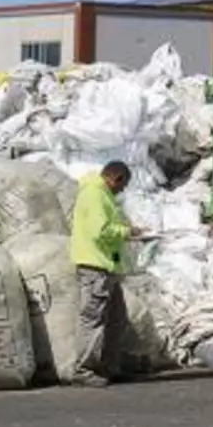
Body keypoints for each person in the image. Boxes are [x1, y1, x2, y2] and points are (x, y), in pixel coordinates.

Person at [69, 160, 140, 387]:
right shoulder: (94, 194)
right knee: (93, 318)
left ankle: (109, 366)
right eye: (123, 185)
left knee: (117, 318)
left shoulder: (102, 194)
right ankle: (84, 369)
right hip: (94, 267)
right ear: (115, 178)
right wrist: (127, 232)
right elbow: (100, 231)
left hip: (106, 266)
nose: (123, 190)